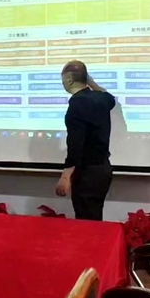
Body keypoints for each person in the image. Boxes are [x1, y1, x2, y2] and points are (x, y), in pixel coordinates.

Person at [55, 60, 115, 221]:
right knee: (95, 218)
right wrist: (90, 82)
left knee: (85, 221)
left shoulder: (77, 104)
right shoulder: (102, 99)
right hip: (103, 170)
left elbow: (75, 143)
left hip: (87, 173)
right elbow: (110, 98)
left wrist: (66, 176)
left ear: (69, 79)